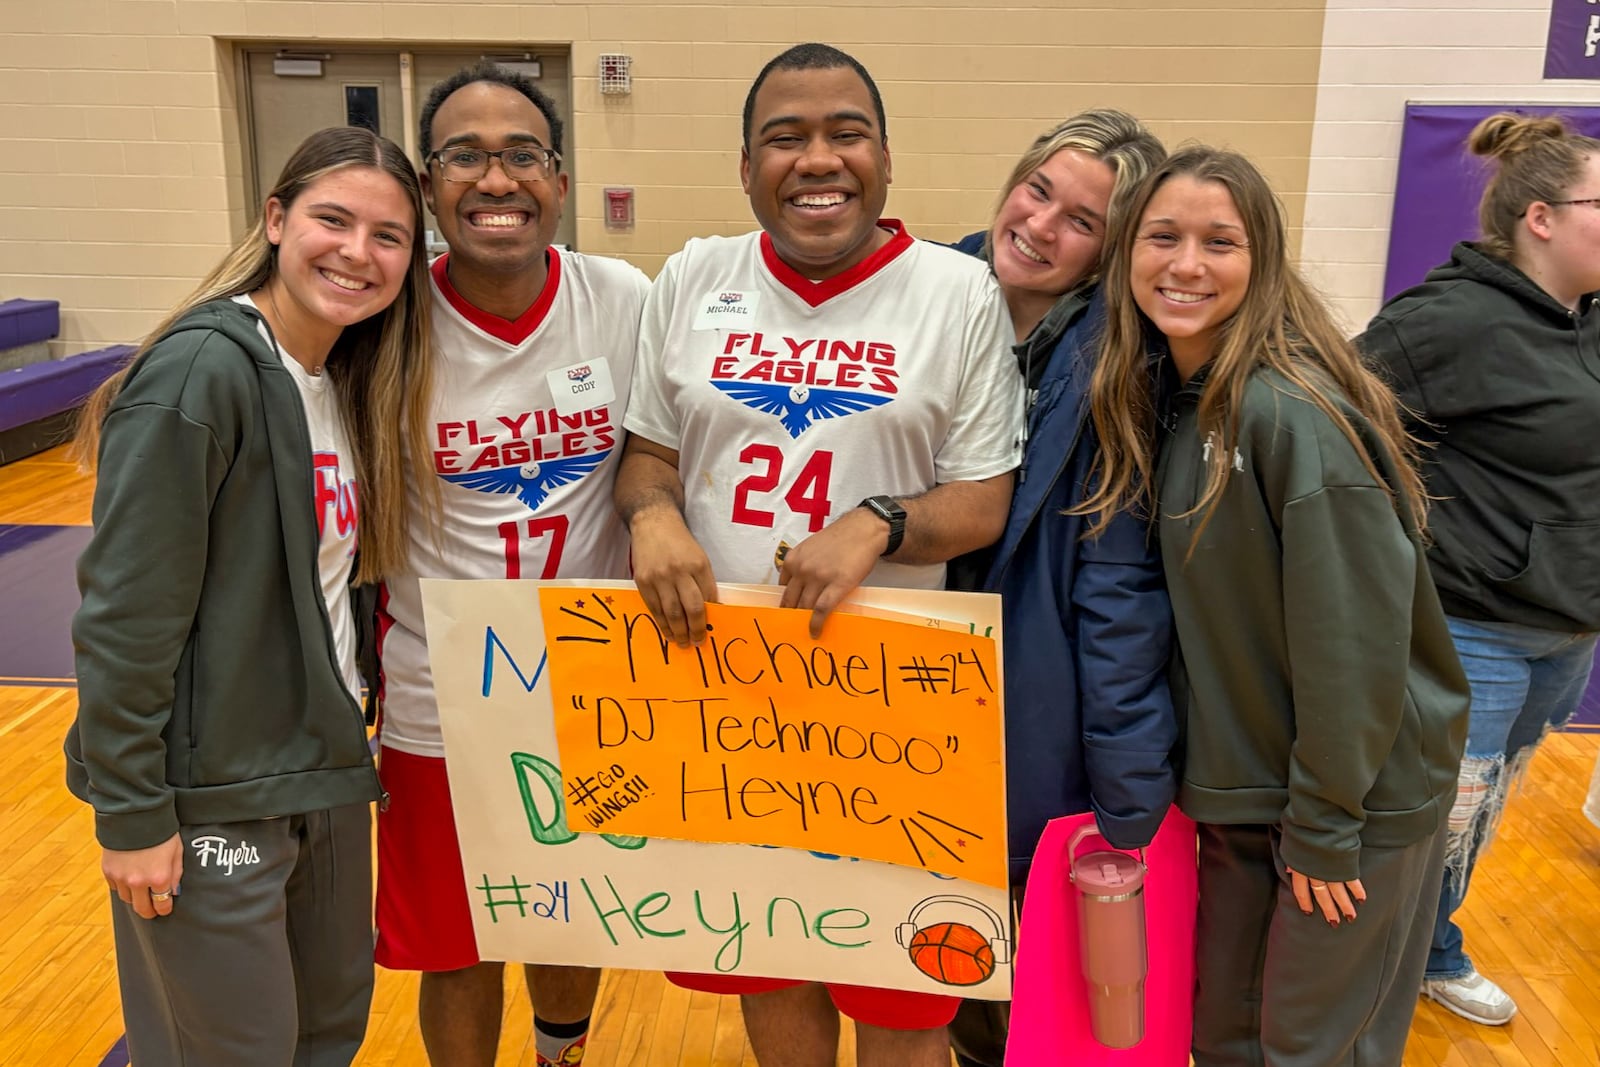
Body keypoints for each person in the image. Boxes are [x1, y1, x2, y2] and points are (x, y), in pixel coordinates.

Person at [616, 41, 1022, 1067]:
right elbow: (648, 455)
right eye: (784, 137)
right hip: (723, 685)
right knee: (771, 959)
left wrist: (879, 518)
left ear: (884, 156)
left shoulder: (957, 289)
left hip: (891, 695)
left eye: (845, 133)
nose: (817, 158)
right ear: (745, 163)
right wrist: (652, 514)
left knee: (902, 987)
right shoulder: (692, 274)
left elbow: (983, 498)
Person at [1080, 146, 1469, 1065]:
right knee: (1224, 1040)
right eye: (1163, 236)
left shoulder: (1288, 412)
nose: (1186, 264)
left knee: (1311, 1050)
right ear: (1127, 251)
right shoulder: (1178, 399)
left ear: (1263, 264)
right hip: (1254, 792)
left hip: (1350, 801)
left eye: (1221, 242)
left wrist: (1328, 824)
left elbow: (1356, 645)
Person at [64, 125, 435, 1067]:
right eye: (333, 220)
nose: (358, 252)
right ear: (276, 219)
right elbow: (124, 619)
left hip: (322, 774)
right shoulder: (203, 371)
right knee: (227, 1049)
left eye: (388, 236)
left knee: (323, 1032)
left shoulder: (336, 377)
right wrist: (134, 815)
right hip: (216, 807)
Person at [372, 62, 650, 1067]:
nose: (496, 180)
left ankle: (558, 1055)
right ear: (427, 183)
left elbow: (667, 450)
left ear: (560, 181)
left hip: (592, 683)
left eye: (521, 154)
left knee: (569, 913)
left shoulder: (619, 297)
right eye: (464, 156)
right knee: (457, 944)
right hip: (440, 697)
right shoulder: (388, 322)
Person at [1357, 112, 1600, 1027]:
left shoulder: (1592, 320)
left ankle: (1426, 945)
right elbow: (1333, 426)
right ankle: (1372, 969)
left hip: (1566, 629)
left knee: (1483, 813)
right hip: (1471, 627)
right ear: (1541, 217)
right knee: (1436, 816)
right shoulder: (1445, 322)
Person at [944, 111, 1175, 1067]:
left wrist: (1128, 789)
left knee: (1017, 979)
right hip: (882, 691)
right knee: (926, 966)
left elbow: (1121, 594)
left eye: (1081, 220)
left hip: (1030, 715)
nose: (1039, 224)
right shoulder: (924, 292)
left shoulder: (1121, 370)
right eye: (1038, 188)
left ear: (1107, 255)